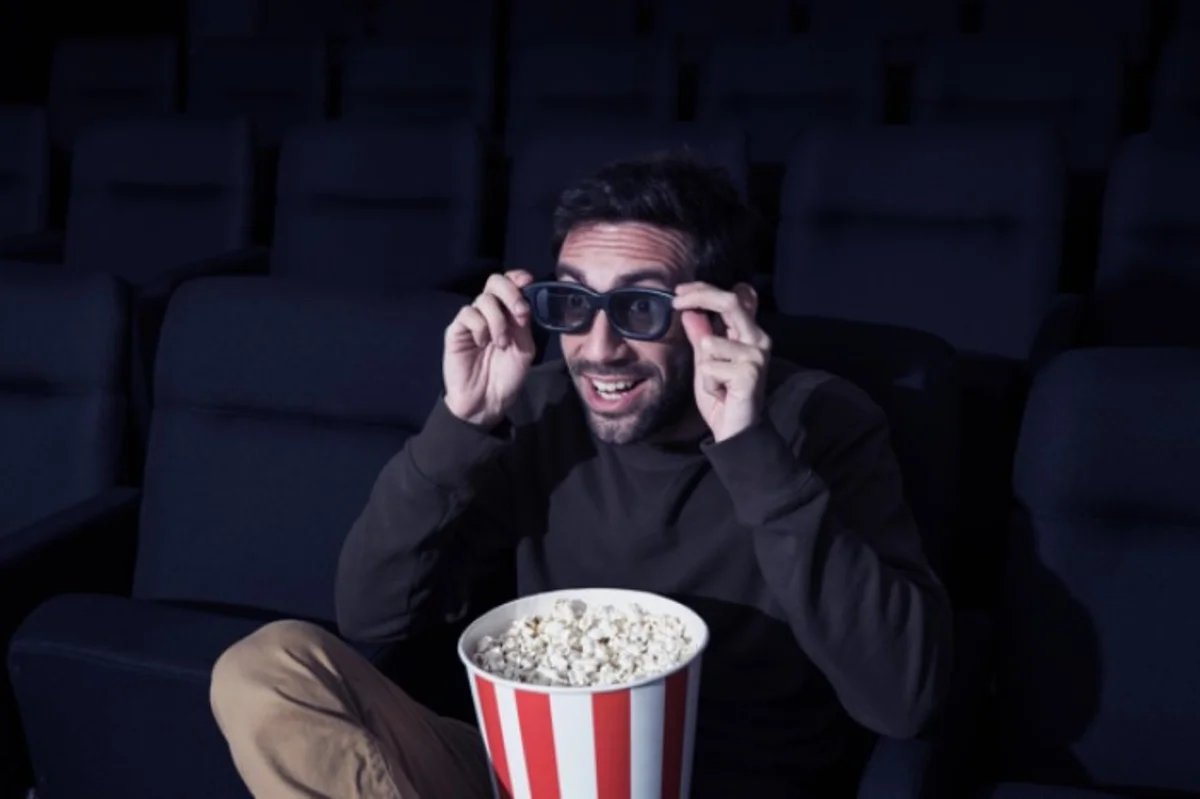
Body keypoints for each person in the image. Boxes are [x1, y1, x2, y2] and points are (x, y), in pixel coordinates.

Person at [210, 154, 953, 798]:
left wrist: (750, 447)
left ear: (731, 312)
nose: (598, 349)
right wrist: (462, 423)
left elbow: (903, 699)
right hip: (525, 772)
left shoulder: (820, 422)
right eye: (573, 303)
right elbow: (371, 615)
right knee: (267, 670)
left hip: (720, 781)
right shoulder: (537, 408)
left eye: (640, 307)